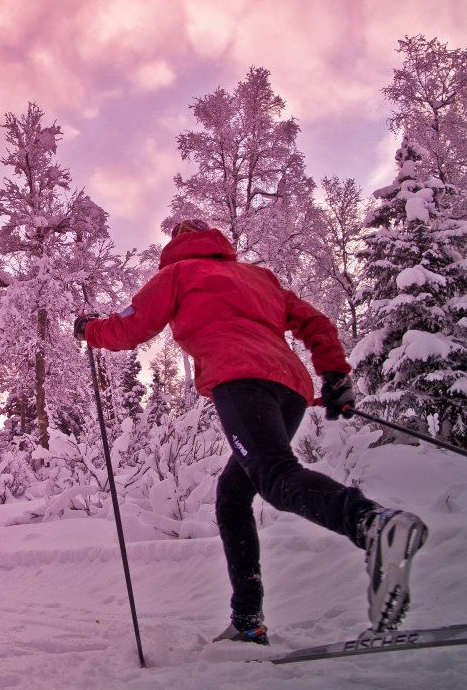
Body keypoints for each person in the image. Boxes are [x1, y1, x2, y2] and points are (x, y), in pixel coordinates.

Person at [74, 219, 428, 645]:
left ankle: (372, 523)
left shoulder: (178, 274)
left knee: (275, 476)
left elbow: (131, 328)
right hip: (291, 388)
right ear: (215, 241)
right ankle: (247, 620)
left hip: (240, 380)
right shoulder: (259, 278)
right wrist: (335, 376)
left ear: (177, 244)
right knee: (233, 496)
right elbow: (314, 321)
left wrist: (90, 329)